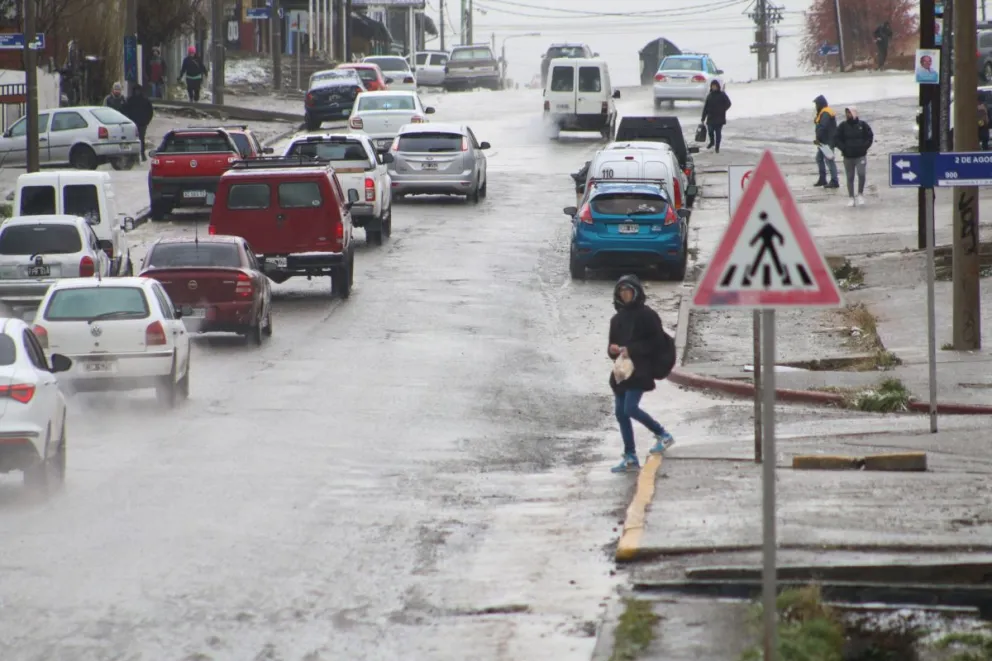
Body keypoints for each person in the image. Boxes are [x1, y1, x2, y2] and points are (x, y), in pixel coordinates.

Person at [606, 275, 675, 473]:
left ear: (636, 292)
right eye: (622, 291)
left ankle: (663, 434)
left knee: (630, 408)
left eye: (629, 291)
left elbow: (658, 342)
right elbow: (612, 348)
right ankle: (630, 456)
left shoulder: (647, 315)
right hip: (622, 373)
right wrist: (613, 350)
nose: (625, 295)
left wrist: (632, 349)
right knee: (621, 413)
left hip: (640, 370)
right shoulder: (616, 319)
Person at [833, 107, 874, 207]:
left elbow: (870, 136)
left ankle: (860, 194)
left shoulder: (863, 125)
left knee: (861, 174)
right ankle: (851, 197)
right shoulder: (843, 126)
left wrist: (864, 147)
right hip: (848, 156)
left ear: (854, 113)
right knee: (850, 177)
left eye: (850, 113)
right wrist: (843, 148)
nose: (848, 115)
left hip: (860, 156)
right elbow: (836, 138)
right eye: (847, 113)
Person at [813, 95, 840, 189]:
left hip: (827, 141)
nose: (815, 106)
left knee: (829, 160)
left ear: (820, 104)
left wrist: (818, 138)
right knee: (819, 158)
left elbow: (823, 127)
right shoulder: (824, 112)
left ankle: (834, 181)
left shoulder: (826, 113)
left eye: (816, 104)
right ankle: (822, 179)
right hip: (823, 141)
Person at [123, 84, 154, 161]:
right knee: (132, 140)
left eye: (138, 90)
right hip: (132, 124)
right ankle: (133, 156)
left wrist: (146, 121)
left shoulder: (145, 100)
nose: (137, 92)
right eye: (136, 90)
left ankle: (142, 154)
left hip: (142, 124)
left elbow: (150, 112)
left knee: (141, 139)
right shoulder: (130, 100)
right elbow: (125, 111)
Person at [700, 79, 732, 153]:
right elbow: (705, 108)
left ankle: (717, 147)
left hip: (719, 118)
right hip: (710, 117)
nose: (714, 87)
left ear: (718, 86)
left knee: (718, 133)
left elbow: (729, 103)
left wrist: (723, 109)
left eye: (715, 86)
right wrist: (703, 118)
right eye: (712, 86)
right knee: (710, 131)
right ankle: (712, 142)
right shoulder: (709, 96)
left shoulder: (722, 94)